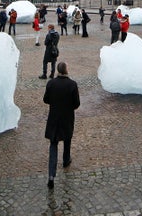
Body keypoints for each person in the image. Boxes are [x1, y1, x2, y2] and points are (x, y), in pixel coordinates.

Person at [43, 61, 80, 190]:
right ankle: (66, 160)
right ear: (66, 70)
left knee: (53, 145)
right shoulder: (72, 85)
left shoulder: (51, 83)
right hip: (67, 117)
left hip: (54, 118)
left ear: (58, 70)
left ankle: (51, 176)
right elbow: (76, 104)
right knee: (67, 139)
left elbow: (45, 99)